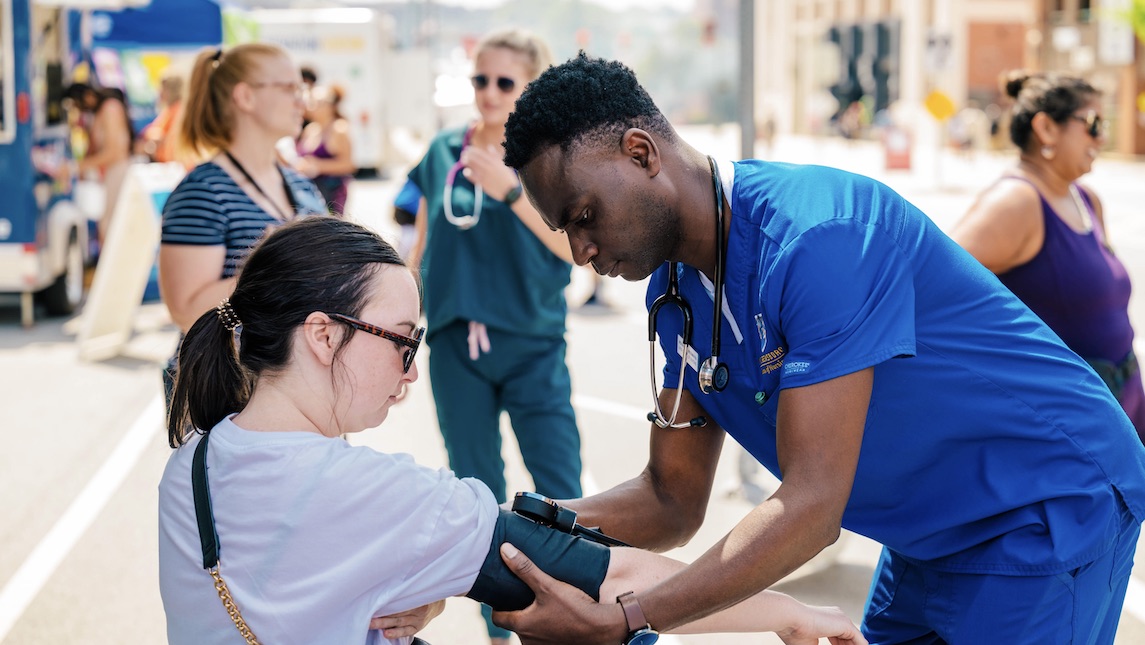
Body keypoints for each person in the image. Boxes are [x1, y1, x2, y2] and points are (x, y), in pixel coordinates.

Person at [492, 53, 1145, 645]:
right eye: (564, 229)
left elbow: (810, 507)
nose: (580, 251)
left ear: (640, 153)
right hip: (929, 528)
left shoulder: (819, 235)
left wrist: (629, 617)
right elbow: (671, 499)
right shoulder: (674, 294)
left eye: (583, 215)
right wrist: (509, 529)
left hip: (1046, 499)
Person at [157, 215, 868, 645]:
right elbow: (611, 574)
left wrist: (416, 576)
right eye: (402, 340)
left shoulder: (191, 463)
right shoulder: (369, 492)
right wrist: (787, 611)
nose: (411, 366)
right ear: (322, 335)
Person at [405, 28, 580, 645]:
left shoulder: (553, 158)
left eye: (505, 82)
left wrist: (508, 190)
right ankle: (498, 629)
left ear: (531, 87)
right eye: (480, 79)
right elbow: (422, 242)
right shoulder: (442, 151)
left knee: (561, 494)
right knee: (477, 495)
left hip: (533, 345)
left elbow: (577, 247)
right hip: (456, 347)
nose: (488, 93)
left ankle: (576, 618)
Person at [952, 71, 1144, 441]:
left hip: (1122, 403)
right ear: (1046, 128)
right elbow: (929, 287)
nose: (1102, 137)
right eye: (1092, 123)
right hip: (1067, 429)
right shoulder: (1016, 202)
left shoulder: (1086, 200)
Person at [158, 44, 327, 407]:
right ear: (245, 96)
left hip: (304, 393)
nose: (303, 102)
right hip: (230, 394)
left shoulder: (301, 188)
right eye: (289, 89)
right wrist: (268, 265)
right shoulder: (202, 192)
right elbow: (186, 311)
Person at [65, 82, 133, 243]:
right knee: (107, 227)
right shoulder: (101, 112)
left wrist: (75, 167)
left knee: (112, 228)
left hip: (119, 174)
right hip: (110, 175)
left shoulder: (110, 108)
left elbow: (114, 152)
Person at [295, 83, 355, 214]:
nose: (313, 106)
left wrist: (318, 166)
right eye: (312, 102)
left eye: (318, 102)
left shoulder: (339, 129)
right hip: (309, 193)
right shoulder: (310, 129)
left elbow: (349, 165)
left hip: (331, 193)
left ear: (331, 105)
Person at [141, 73, 185, 164]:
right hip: (165, 162)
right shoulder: (168, 110)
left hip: (171, 163)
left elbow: (162, 136)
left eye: (163, 88)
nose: (159, 92)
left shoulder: (178, 109)